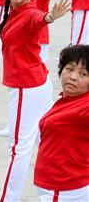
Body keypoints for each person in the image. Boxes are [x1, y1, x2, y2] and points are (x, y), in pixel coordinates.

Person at [0, 0, 71, 202]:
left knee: (19, 149)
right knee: (45, 141)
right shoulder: (13, 12)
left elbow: (40, 19)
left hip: (26, 88)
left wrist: (50, 17)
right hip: (37, 84)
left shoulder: (29, 13)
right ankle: (54, 189)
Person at [33, 44, 89, 202]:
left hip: (65, 189)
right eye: (69, 69)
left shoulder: (85, 106)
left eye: (83, 74)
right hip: (56, 187)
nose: (73, 77)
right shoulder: (68, 100)